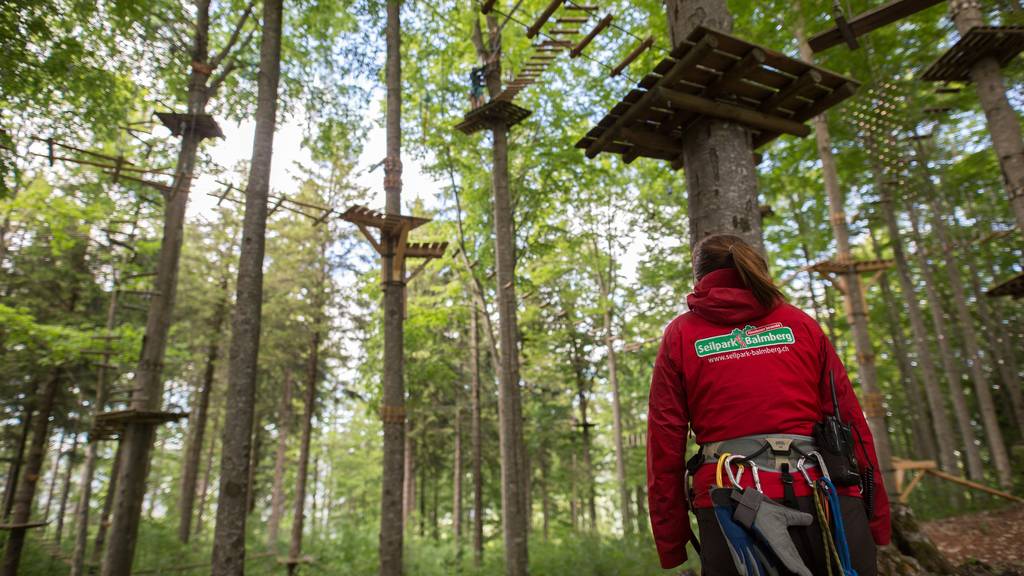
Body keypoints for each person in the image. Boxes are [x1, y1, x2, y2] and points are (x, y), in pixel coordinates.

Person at [646, 234, 891, 575]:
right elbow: (851, 423)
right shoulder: (800, 324)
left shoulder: (681, 335)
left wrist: (671, 541)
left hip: (731, 507)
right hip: (826, 502)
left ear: (700, 277)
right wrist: (877, 518)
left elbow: (664, 445)